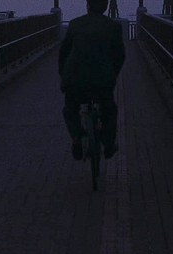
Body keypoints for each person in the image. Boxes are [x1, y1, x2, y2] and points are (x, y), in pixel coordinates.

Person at [58, 0, 125, 160]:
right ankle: (108, 144)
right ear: (106, 6)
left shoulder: (75, 24)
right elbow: (120, 55)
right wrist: (112, 74)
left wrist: (64, 75)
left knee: (70, 108)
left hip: (75, 81)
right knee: (109, 110)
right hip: (102, 82)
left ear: (88, 5)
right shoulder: (114, 27)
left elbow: (64, 53)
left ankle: (76, 137)